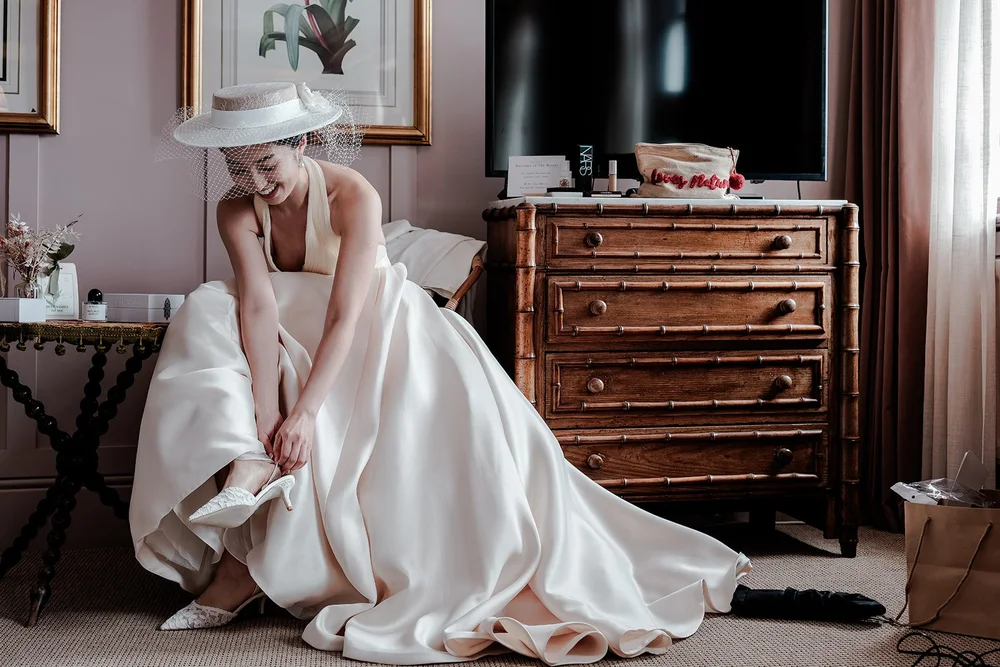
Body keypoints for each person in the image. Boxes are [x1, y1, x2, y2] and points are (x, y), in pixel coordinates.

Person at [130, 81, 751, 665]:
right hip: (290, 325)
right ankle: (249, 464)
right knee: (211, 303)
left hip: (373, 323)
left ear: (301, 143)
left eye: (269, 164)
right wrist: (270, 416)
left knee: (323, 364)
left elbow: (349, 312)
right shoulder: (236, 209)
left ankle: (259, 569)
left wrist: (307, 412)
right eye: (241, 168)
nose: (258, 183)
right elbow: (259, 304)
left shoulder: (353, 196)